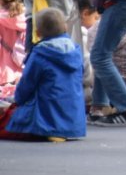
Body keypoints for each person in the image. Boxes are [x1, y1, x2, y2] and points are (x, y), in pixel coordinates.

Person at [0, 8, 85, 141]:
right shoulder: (75, 52)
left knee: (6, 123)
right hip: (75, 122)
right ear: (65, 27)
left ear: (38, 32)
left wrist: (16, 101)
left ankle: (51, 131)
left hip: (46, 119)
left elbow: (26, 85)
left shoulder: (41, 53)